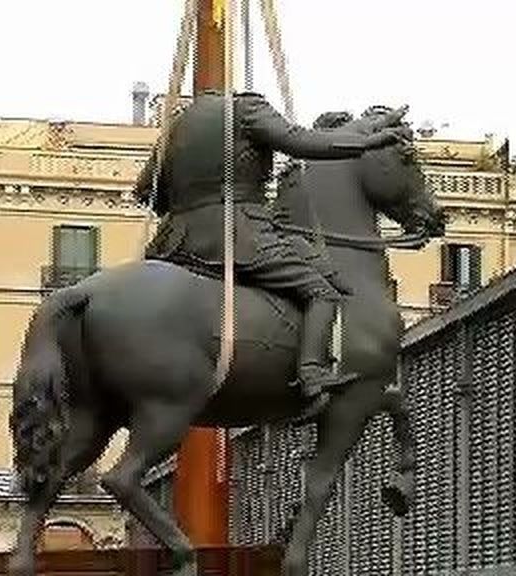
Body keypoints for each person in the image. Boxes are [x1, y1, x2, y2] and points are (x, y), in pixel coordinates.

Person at [134, 90, 409, 421]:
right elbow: (304, 142)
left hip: (175, 242)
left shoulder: (179, 123)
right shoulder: (246, 108)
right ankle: (312, 374)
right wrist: (367, 141)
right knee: (321, 290)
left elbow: (146, 190)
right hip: (238, 235)